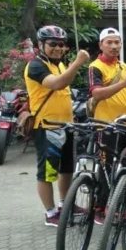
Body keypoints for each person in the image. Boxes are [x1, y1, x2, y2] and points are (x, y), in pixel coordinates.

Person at [23, 26, 89, 226]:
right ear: (40, 45)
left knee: (67, 169)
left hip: (66, 126)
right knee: (47, 172)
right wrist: (78, 62)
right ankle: (51, 213)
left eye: (61, 44)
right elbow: (58, 84)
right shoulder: (36, 66)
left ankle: (65, 204)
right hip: (47, 127)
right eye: (52, 44)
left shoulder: (59, 65)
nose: (58, 48)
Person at [88, 27, 126, 224]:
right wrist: (122, 84)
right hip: (106, 125)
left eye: (117, 42)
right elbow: (97, 93)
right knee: (106, 168)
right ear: (101, 45)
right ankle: (101, 208)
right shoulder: (96, 66)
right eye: (109, 42)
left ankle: (121, 205)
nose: (114, 46)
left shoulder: (122, 66)